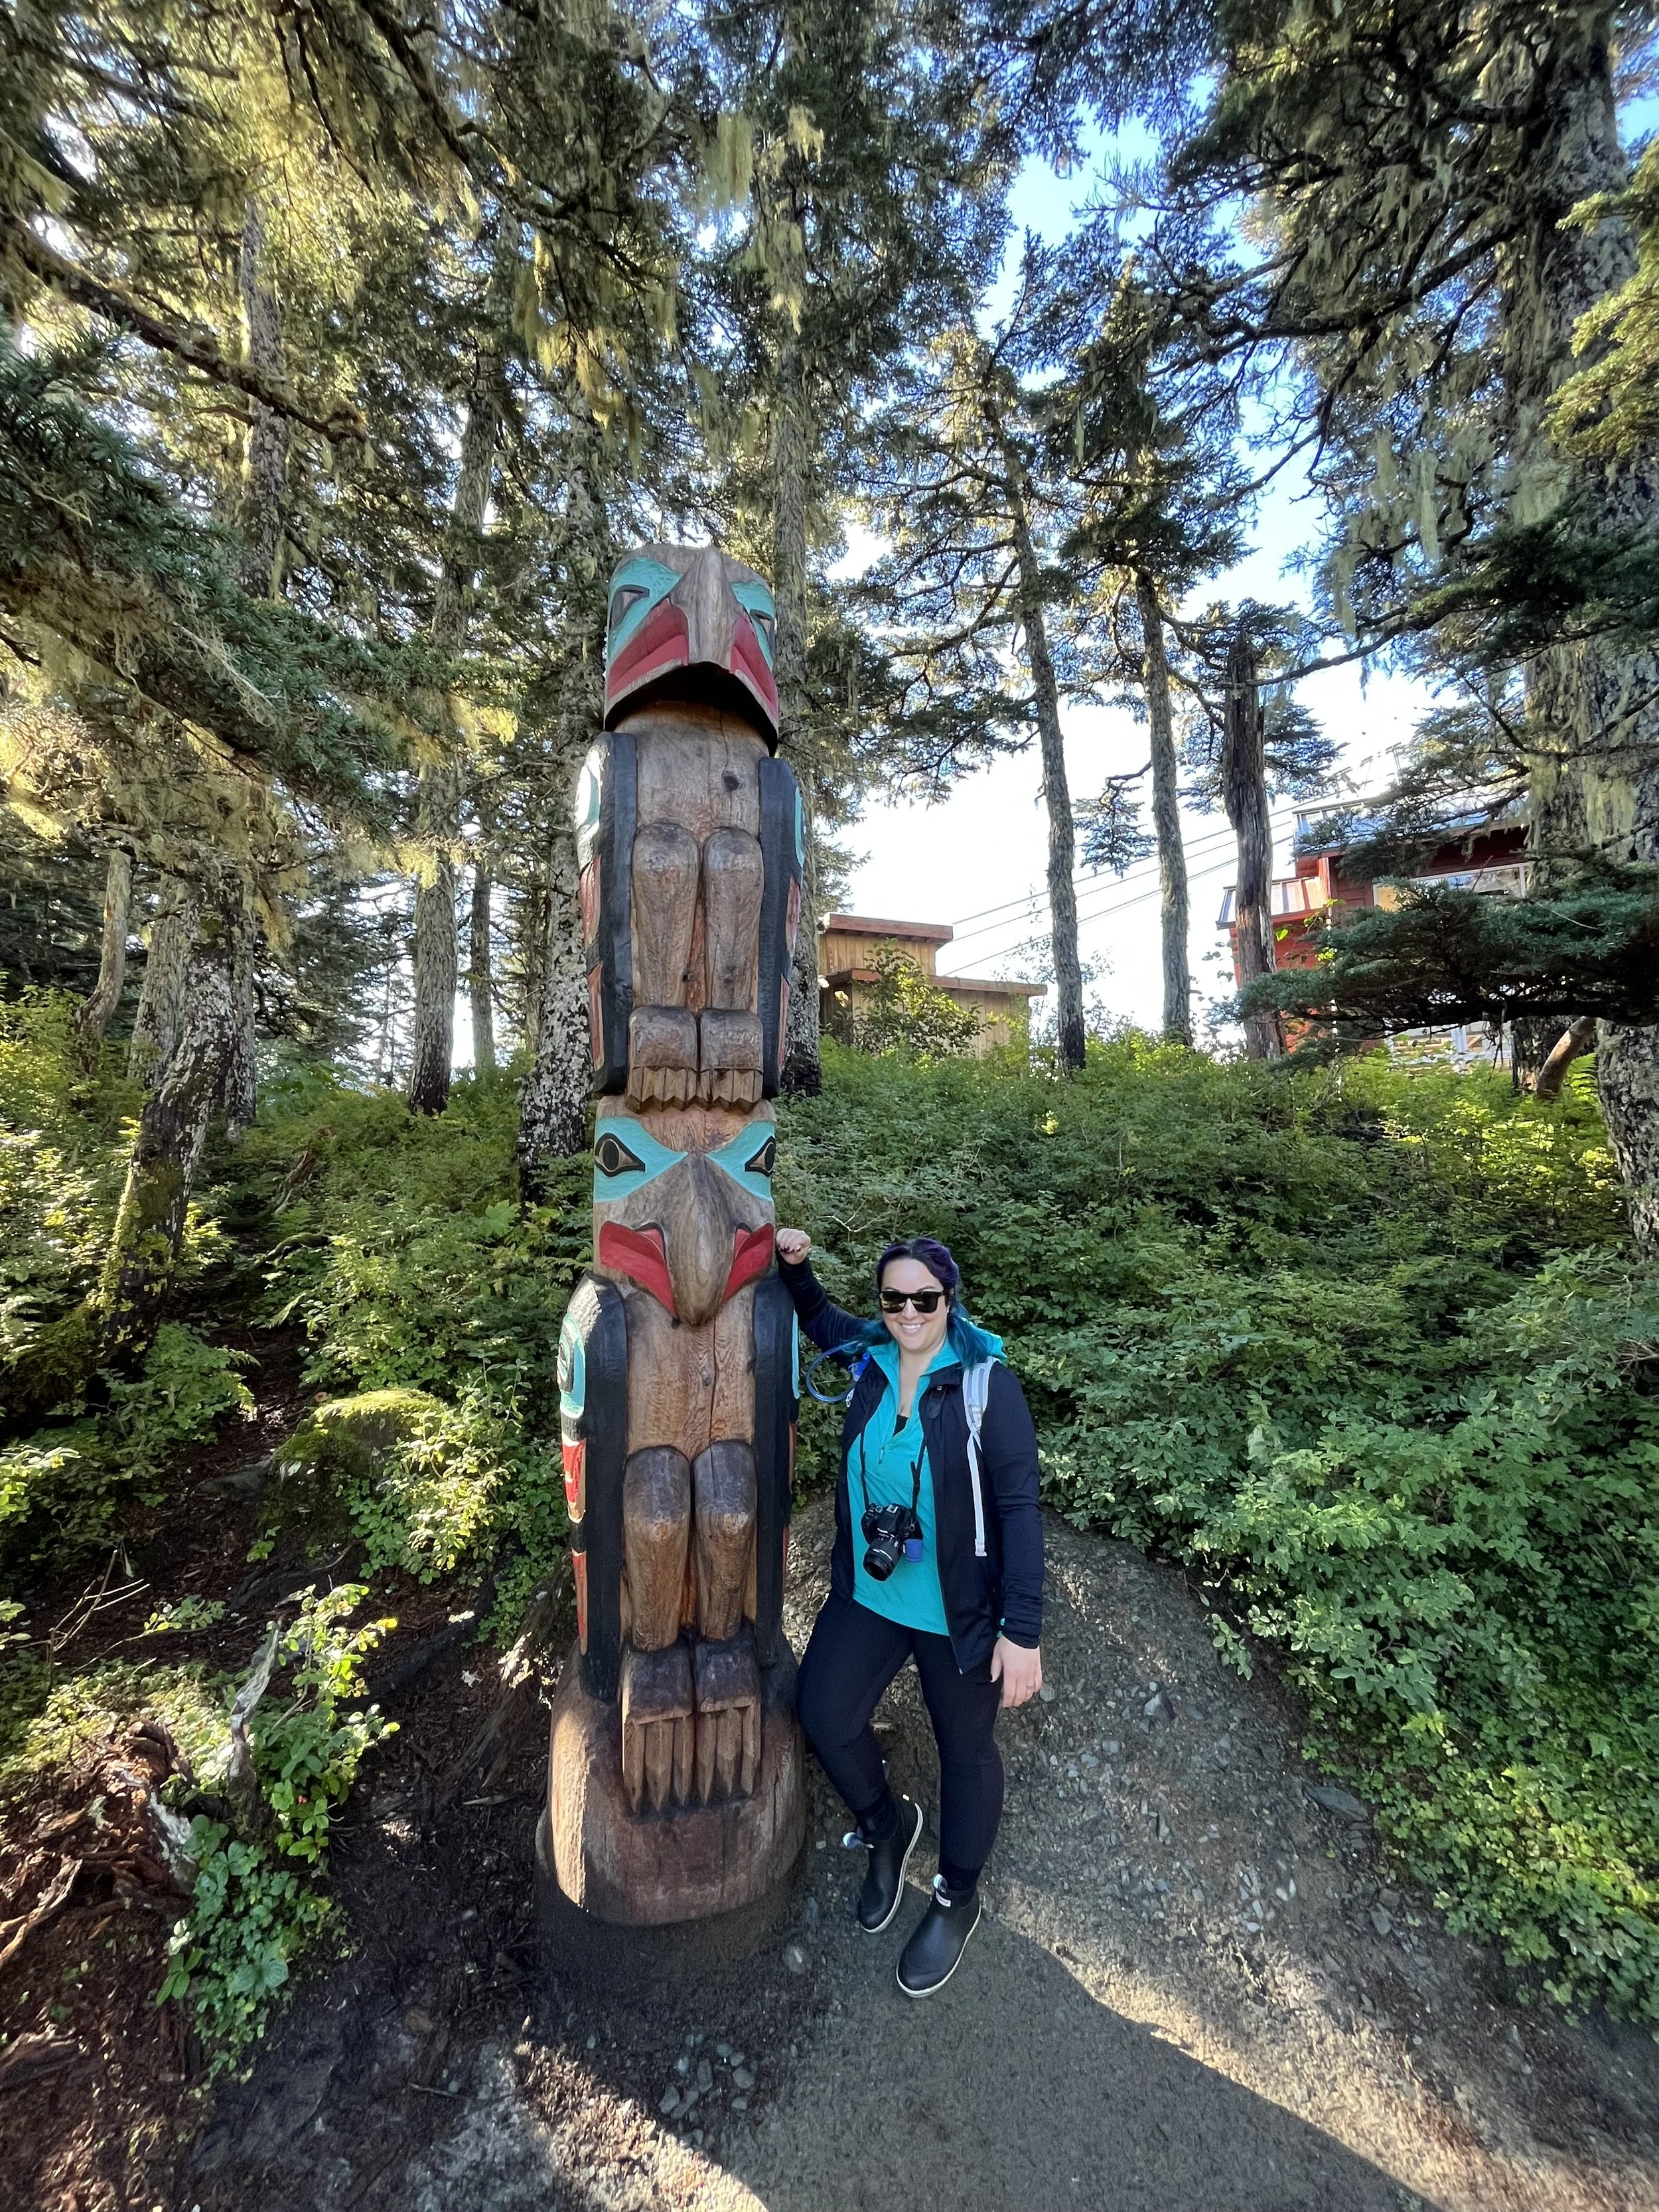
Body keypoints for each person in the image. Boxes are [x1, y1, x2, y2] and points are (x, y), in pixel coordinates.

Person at [773, 1227, 1043, 1997]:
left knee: (967, 1750)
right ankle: (888, 1827)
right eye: (894, 1298)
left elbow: (1020, 1508)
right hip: (873, 1592)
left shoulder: (986, 1382)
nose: (908, 1311)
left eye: (923, 1297)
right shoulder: (869, 1359)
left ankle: (957, 1897)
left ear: (948, 1299)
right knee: (823, 1714)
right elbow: (822, 1321)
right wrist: (798, 1272)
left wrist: (1021, 1630)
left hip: (958, 1609)